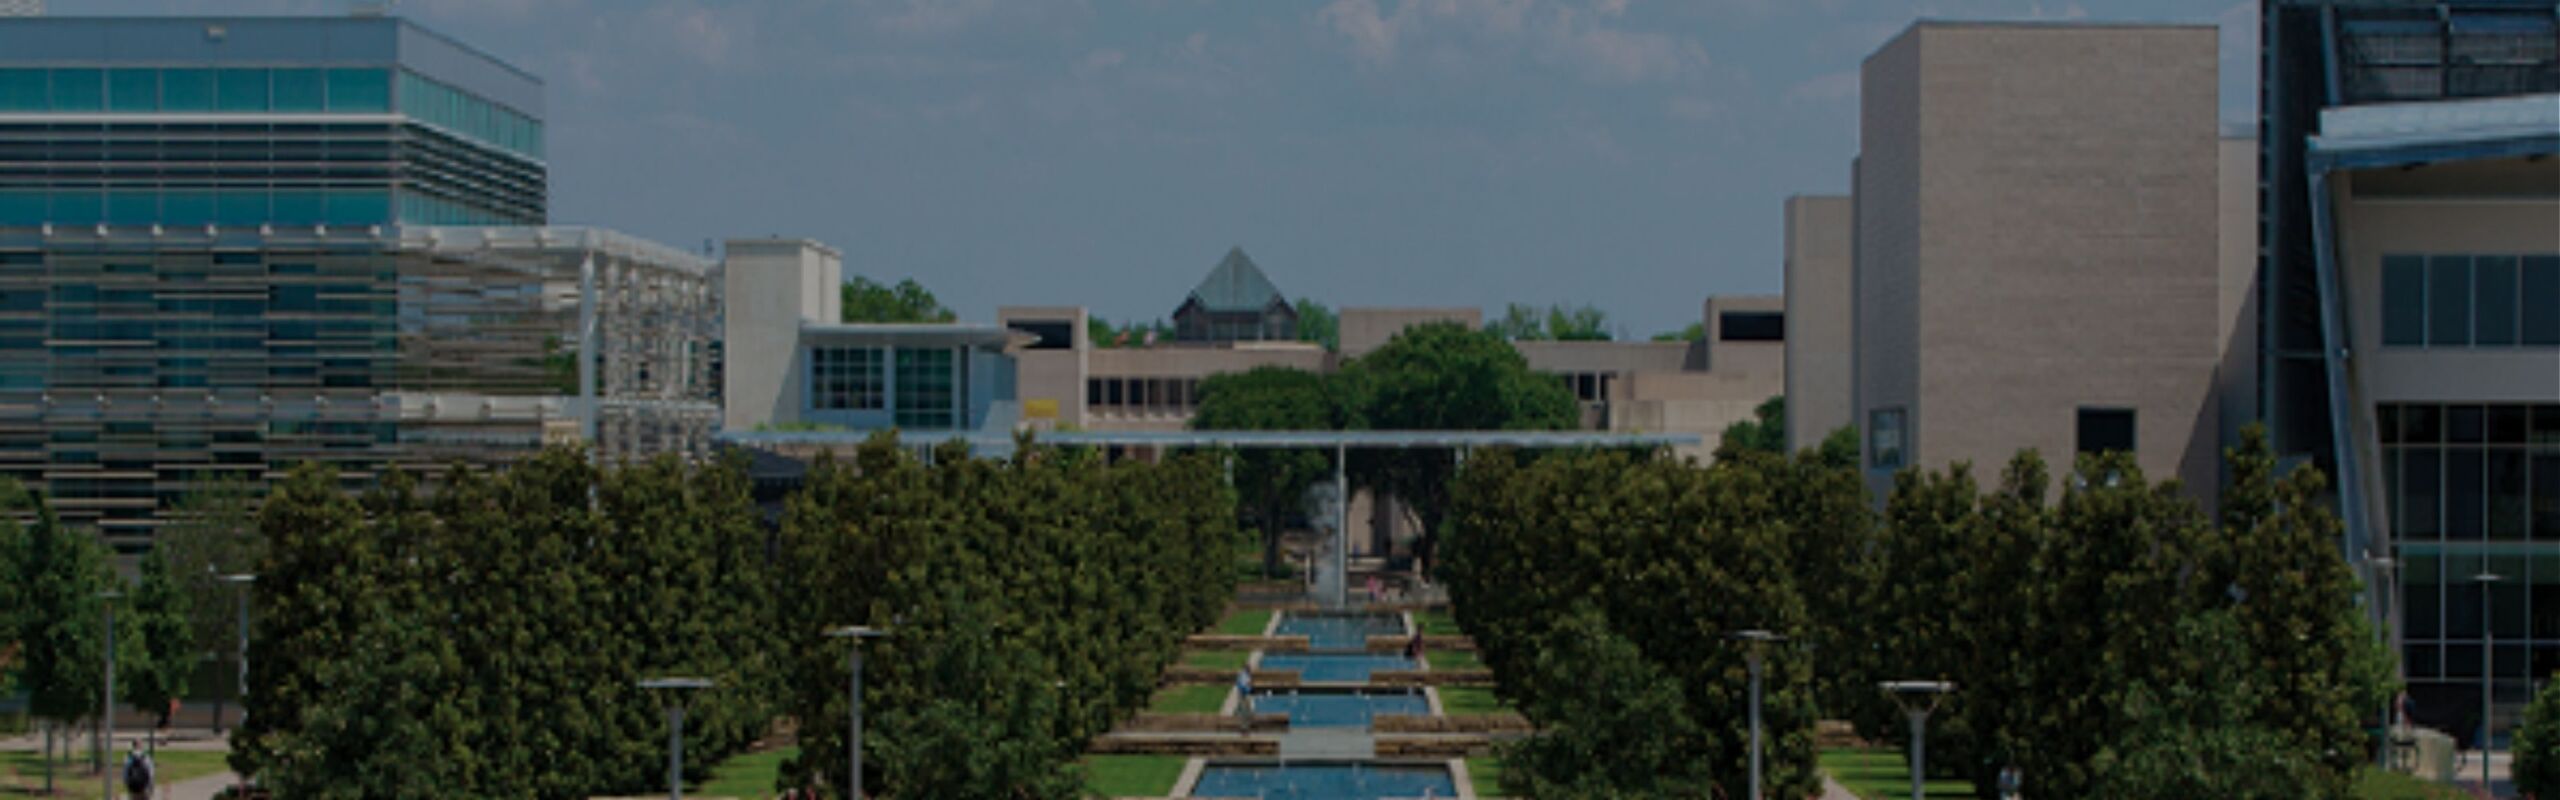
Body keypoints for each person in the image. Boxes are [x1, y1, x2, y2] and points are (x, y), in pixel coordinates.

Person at [1233, 668, 1255, 735]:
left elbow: (1239, 684)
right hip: (1244, 695)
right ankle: (1244, 728)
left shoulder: (1243, 675)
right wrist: (1247, 690)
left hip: (1243, 694)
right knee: (1245, 711)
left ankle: (1245, 727)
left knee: (1246, 711)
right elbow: (1243, 686)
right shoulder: (1244, 676)